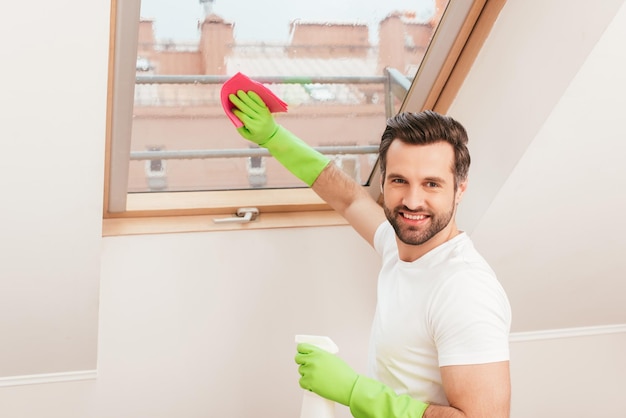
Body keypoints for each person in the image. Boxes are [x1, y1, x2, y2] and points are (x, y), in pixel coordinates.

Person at [227, 89, 512, 418]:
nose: (413, 200)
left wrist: (354, 391)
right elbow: (349, 198)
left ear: (460, 188)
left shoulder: (464, 290)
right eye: (399, 180)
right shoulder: (399, 244)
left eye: (432, 184)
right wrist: (274, 136)